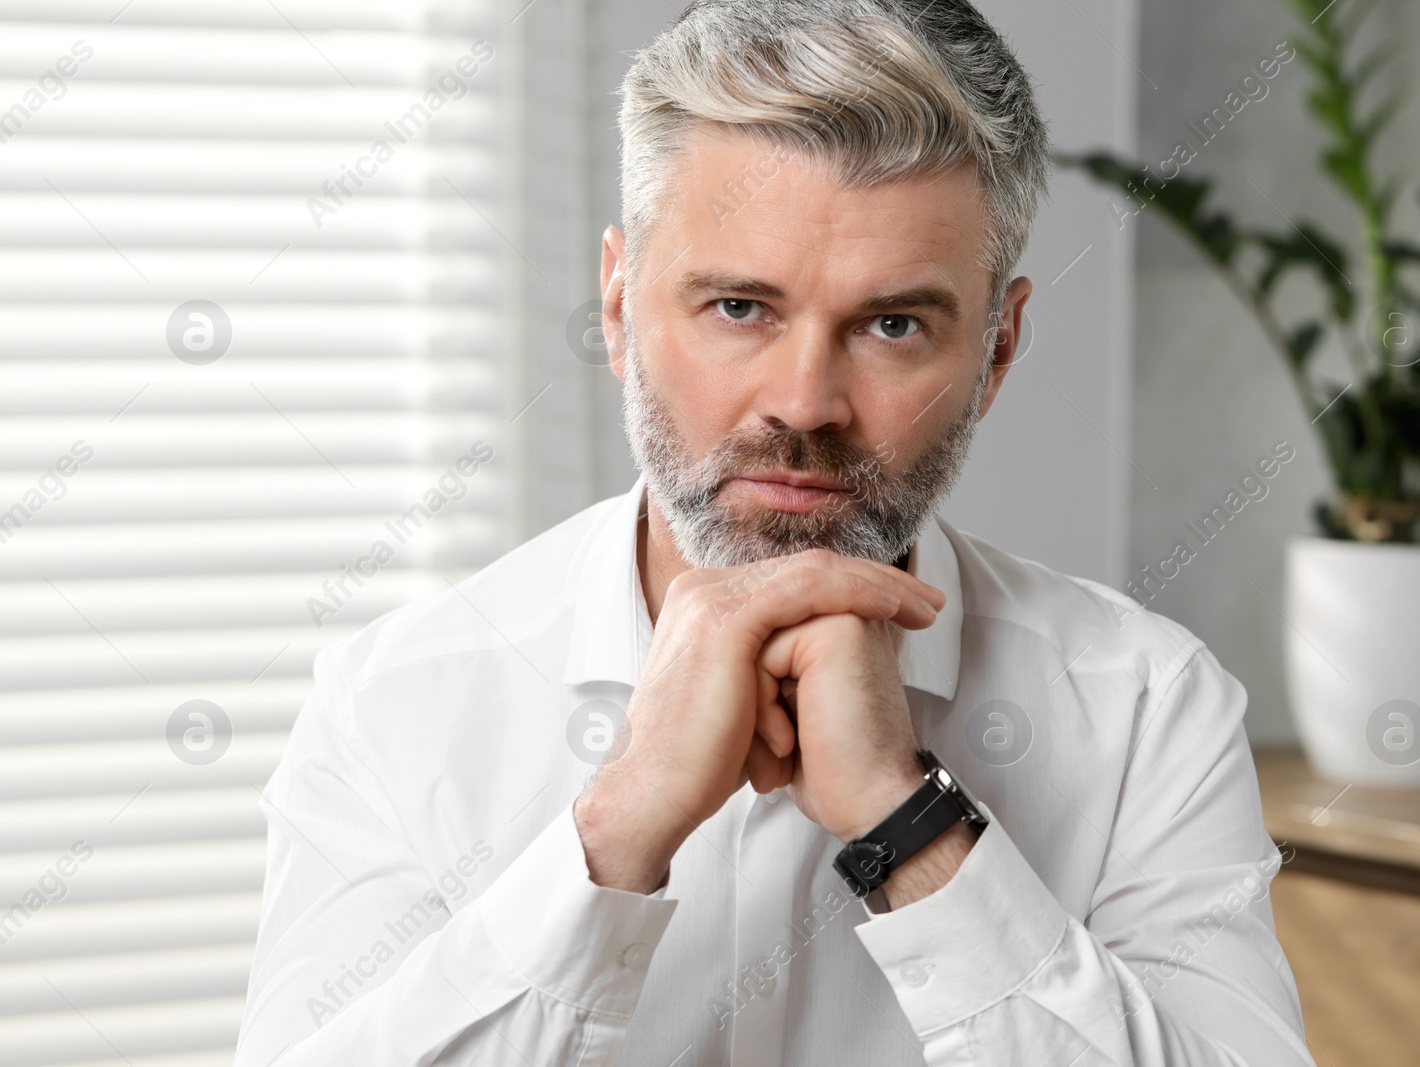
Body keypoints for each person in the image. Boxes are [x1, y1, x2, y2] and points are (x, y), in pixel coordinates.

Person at [236, 1, 1315, 1063]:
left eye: (893, 324)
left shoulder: (1142, 709)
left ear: (996, 350)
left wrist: (911, 826)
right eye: (740, 308)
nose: (804, 404)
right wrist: (612, 834)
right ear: (618, 308)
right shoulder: (393, 707)